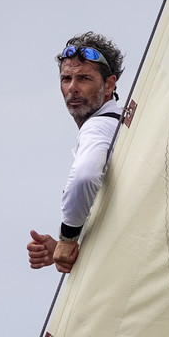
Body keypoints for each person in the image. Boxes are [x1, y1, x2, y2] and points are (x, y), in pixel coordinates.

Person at [27, 33, 125, 274]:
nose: (72, 88)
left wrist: (68, 238)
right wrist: (62, 248)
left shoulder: (99, 126)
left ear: (109, 84)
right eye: (66, 79)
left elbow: (85, 176)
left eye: (84, 78)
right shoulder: (121, 124)